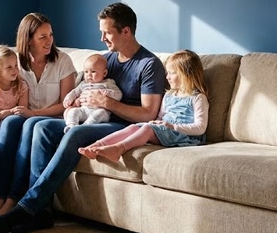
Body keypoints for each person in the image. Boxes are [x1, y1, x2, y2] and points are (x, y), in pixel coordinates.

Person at [0, 2, 166, 233]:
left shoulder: (149, 65)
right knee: (41, 127)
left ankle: (29, 206)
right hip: (91, 116)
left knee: (75, 133)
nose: (102, 38)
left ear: (126, 31)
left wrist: (108, 103)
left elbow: (148, 114)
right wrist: (73, 101)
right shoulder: (106, 60)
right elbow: (81, 89)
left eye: (107, 32)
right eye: (101, 32)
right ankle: (42, 212)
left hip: (123, 125)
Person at [0, 13, 76, 222]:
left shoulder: (63, 61)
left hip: (54, 119)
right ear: (28, 39)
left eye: (50, 35)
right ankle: (0, 198)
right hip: (24, 115)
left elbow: (65, 103)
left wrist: (33, 113)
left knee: (29, 122)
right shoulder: (16, 63)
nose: (49, 40)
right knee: (10, 123)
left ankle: (13, 200)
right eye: (43, 36)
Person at [78, 49, 209, 161]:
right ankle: (96, 146)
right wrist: (157, 122)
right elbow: (161, 116)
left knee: (147, 129)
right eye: (167, 73)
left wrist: (172, 126)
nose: (167, 77)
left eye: (171, 73)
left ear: (186, 75)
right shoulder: (169, 95)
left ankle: (118, 149)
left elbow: (200, 128)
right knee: (134, 127)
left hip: (183, 135)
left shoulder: (198, 98)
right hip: (164, 129)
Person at [63, 54, 122, 133]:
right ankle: (71, 126)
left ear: (104, 73)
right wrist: (68, 99)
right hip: (84, 110)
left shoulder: (108, 83)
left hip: (99, 110)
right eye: (86, 72)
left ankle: (85, 126)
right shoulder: (83, 84)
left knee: (100, 113)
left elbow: (119, 94)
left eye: (93, 71)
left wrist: (109, 93)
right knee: (73, 111)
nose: (89, 75)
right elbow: (74, 92)